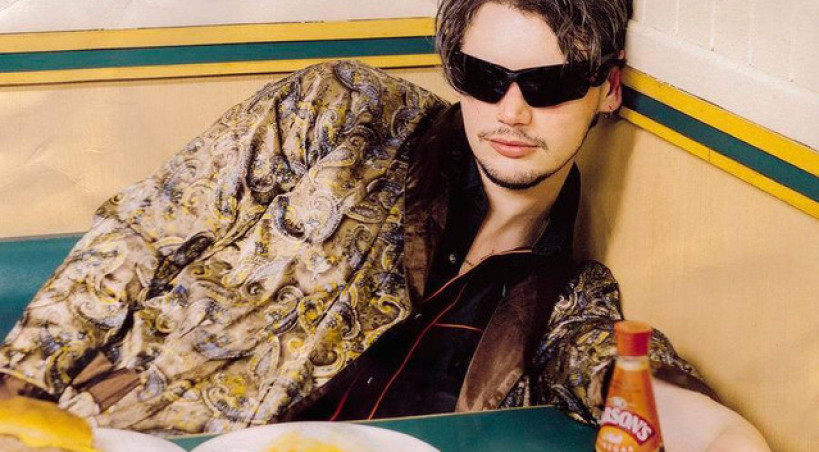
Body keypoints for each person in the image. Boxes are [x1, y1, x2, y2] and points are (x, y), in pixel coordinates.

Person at [0, 0, 769, 449]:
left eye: (549, 84)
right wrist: (18, 391)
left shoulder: (561, 297)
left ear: (607, 91)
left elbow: (630, 380)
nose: (511, 112)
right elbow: (144, 234)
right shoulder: (341, 111)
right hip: (120, 429)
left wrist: (726, 439)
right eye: (484, 77)